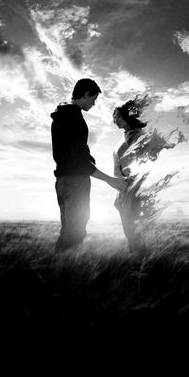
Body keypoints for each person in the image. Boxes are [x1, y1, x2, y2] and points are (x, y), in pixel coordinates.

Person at [51, 78, 127, 253]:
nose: (93, 104)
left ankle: (57, 268)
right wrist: (110, 180)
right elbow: (79, 161)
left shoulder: (60, 116)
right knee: (76, 232)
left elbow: (72, 153)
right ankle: (68, 274)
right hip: (76, 181)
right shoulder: (74, 117)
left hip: (62, 181)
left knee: (68, 230)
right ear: (85, 95)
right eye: (93, 99)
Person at [112, 96, 149, 256]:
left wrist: (130, 182)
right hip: (124, 186)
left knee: (132, 228)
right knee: (129, 229)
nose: (115, 119)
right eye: (114, 116)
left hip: (132, 186)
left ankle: (140, 263)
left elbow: (142, 159)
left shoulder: (136, 134)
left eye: (118, 116)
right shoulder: (127, 134)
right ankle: (137, 260)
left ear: (128, 116)